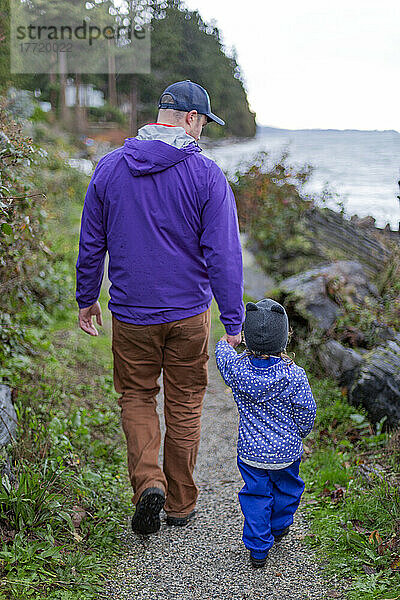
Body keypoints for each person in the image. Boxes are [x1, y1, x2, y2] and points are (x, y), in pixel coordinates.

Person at [76, 80, 244, 534]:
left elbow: (92, 241)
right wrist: (233, 321)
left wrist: (86, 297)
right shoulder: (206, 175)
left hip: (131, 315)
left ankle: (148, 483)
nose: (203, 133)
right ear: (191, 119)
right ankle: (180, 502)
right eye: (204, 123)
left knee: (136, 395)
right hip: (189, 314)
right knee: (186, 402)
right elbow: (224, 253)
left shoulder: (110, 168)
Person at [215, 299, 316, 567]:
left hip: (251, 453)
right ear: (284, 338)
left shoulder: (237, 370)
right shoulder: (294, 375)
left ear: (247, 337)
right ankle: (280, 525)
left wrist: (227, 342)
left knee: (256, 496)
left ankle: (258, 548)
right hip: (286, 452)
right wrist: (300, 433)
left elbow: (222, 358)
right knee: (289, 488)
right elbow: (307, 409)